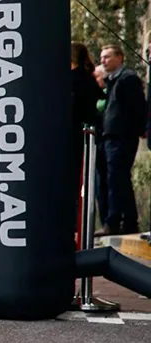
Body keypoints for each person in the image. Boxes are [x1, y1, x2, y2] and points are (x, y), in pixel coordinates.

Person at [96, 44, 146, 236]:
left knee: (117, 178)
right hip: (110, 135)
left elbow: (137, 107)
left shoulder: (127, 78)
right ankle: (128, 221)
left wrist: (139, 129)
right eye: (102, 57)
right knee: (118, 179)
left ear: (119, 57)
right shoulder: (112, 80)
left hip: (122, 136)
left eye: (107, 57)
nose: (103, 61)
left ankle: (115, 221)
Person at [70, 43, 102, 216]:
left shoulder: (73, 79)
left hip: (76, 135)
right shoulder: (89, 78)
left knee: (74, 180)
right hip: (86, 134)